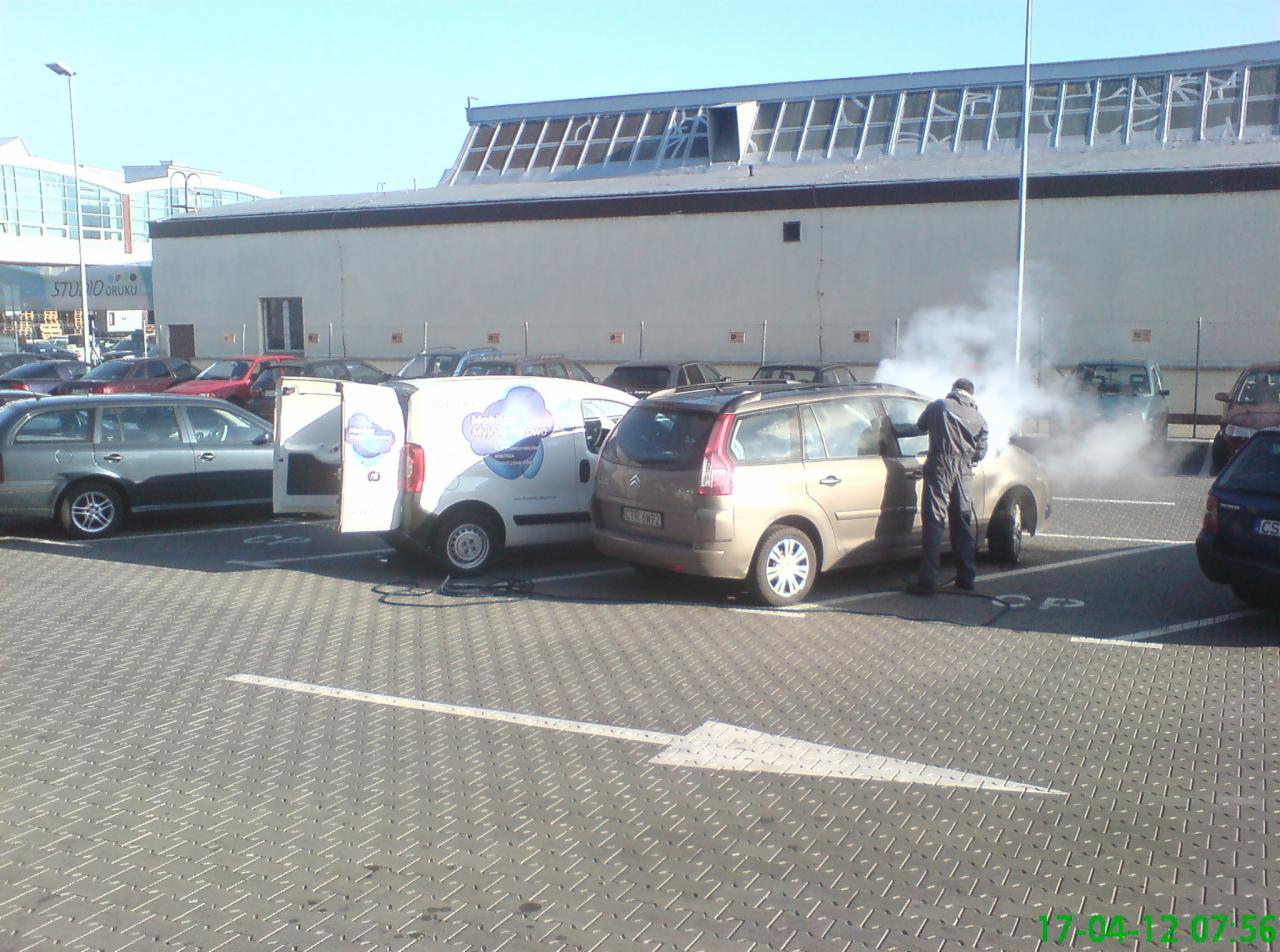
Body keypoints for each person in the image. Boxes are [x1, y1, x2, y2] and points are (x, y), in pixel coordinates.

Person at [906, 377, 989, 595]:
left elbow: (920, 426)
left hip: (940, 464)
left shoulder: (938, 406)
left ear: (954, 390)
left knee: (934, 522)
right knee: (962, 521)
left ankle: (927, 582)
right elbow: (981, 451)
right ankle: (966, 578)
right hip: (964, 469)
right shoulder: (979, 417)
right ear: (971, 394)